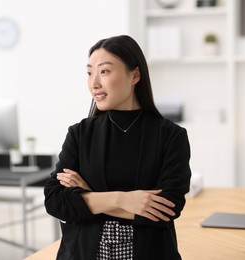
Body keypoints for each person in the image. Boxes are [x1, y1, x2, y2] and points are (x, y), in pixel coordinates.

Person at [44, 35, 191, 260]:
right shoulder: (80, 133)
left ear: (135, 75)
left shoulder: (171, 136)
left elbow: (166, 210)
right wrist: (122, 200)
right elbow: (56, 201)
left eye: (104, 71)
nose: (94, 83)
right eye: (89, 72)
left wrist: (89, 196)